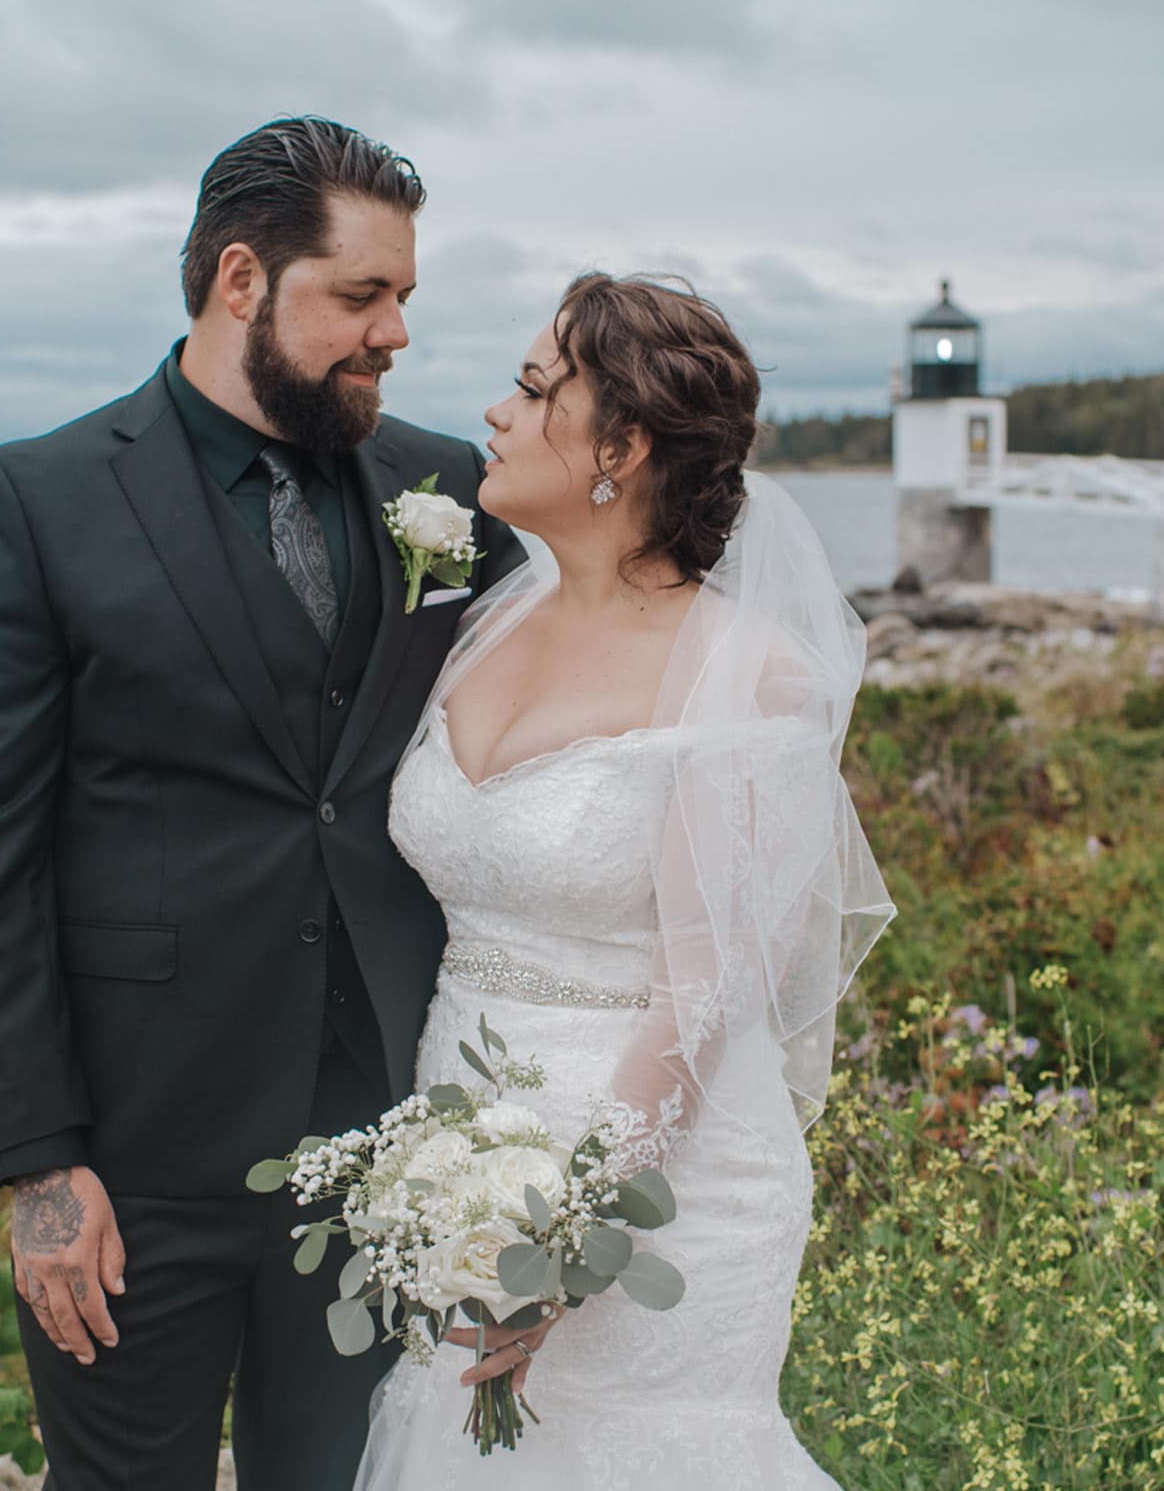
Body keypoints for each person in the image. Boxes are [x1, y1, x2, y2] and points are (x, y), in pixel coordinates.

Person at [0, 115, 523, 1490]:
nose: (396, 334)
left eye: (406, 299)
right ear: (243, 281)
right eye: (361, 297)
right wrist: (39, 1166)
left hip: (382, 1145)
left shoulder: (445, 491)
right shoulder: (43, 499)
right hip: (138, 1158)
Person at [355, 272, 894, 1486]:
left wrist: (569, 1241)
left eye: (535, 386)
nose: (492, 412)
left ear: (622, 444)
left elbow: (703, 998)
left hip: (670, 1187)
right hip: (459, 1146)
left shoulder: (748, 675)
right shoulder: (485, 620)